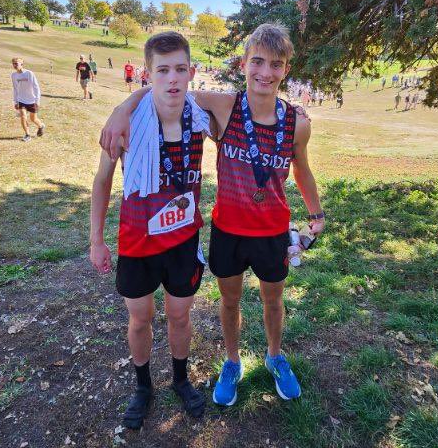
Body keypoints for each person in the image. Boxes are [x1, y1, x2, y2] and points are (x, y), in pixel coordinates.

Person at [100, 23, 325, 407]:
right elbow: (167, 85)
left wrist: (316, 213)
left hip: (272, 230)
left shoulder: (296, 122)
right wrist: (122, 109)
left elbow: (301, 168)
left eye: (276, 64)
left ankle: (274, 356)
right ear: (243, 64)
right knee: (230, 300)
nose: (265, 73)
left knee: (273, 299)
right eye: (257, 62)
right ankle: (232, 362)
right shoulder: (224, 106)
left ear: (286, 69)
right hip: (228, 229)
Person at [90, 32, 211, 430]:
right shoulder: (126, 126)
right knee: (140, 319)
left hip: (182, 241)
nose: (172, 79)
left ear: (191, 72)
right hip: (138, 242)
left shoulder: (201, 118)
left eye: (180, 69)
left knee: (179, 316)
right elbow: (102, 182)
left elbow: (249, 100)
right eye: (162, 70)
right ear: (148, 74)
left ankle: (180, 379)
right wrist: (96, 239)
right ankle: (143, 387)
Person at [11, 57, 45, 142]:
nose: (15, 65)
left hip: (32, 100)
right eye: (13, 63)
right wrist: (15, 101)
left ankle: (41, 126)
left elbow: (36, 87)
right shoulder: (14, 75)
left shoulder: (29, 73)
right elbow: (15, 88)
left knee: (33, 119)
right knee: (23, 115)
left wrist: (37, 100)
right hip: (21, 100)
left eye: (16, 63)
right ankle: (27, 134)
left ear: (21, 64)